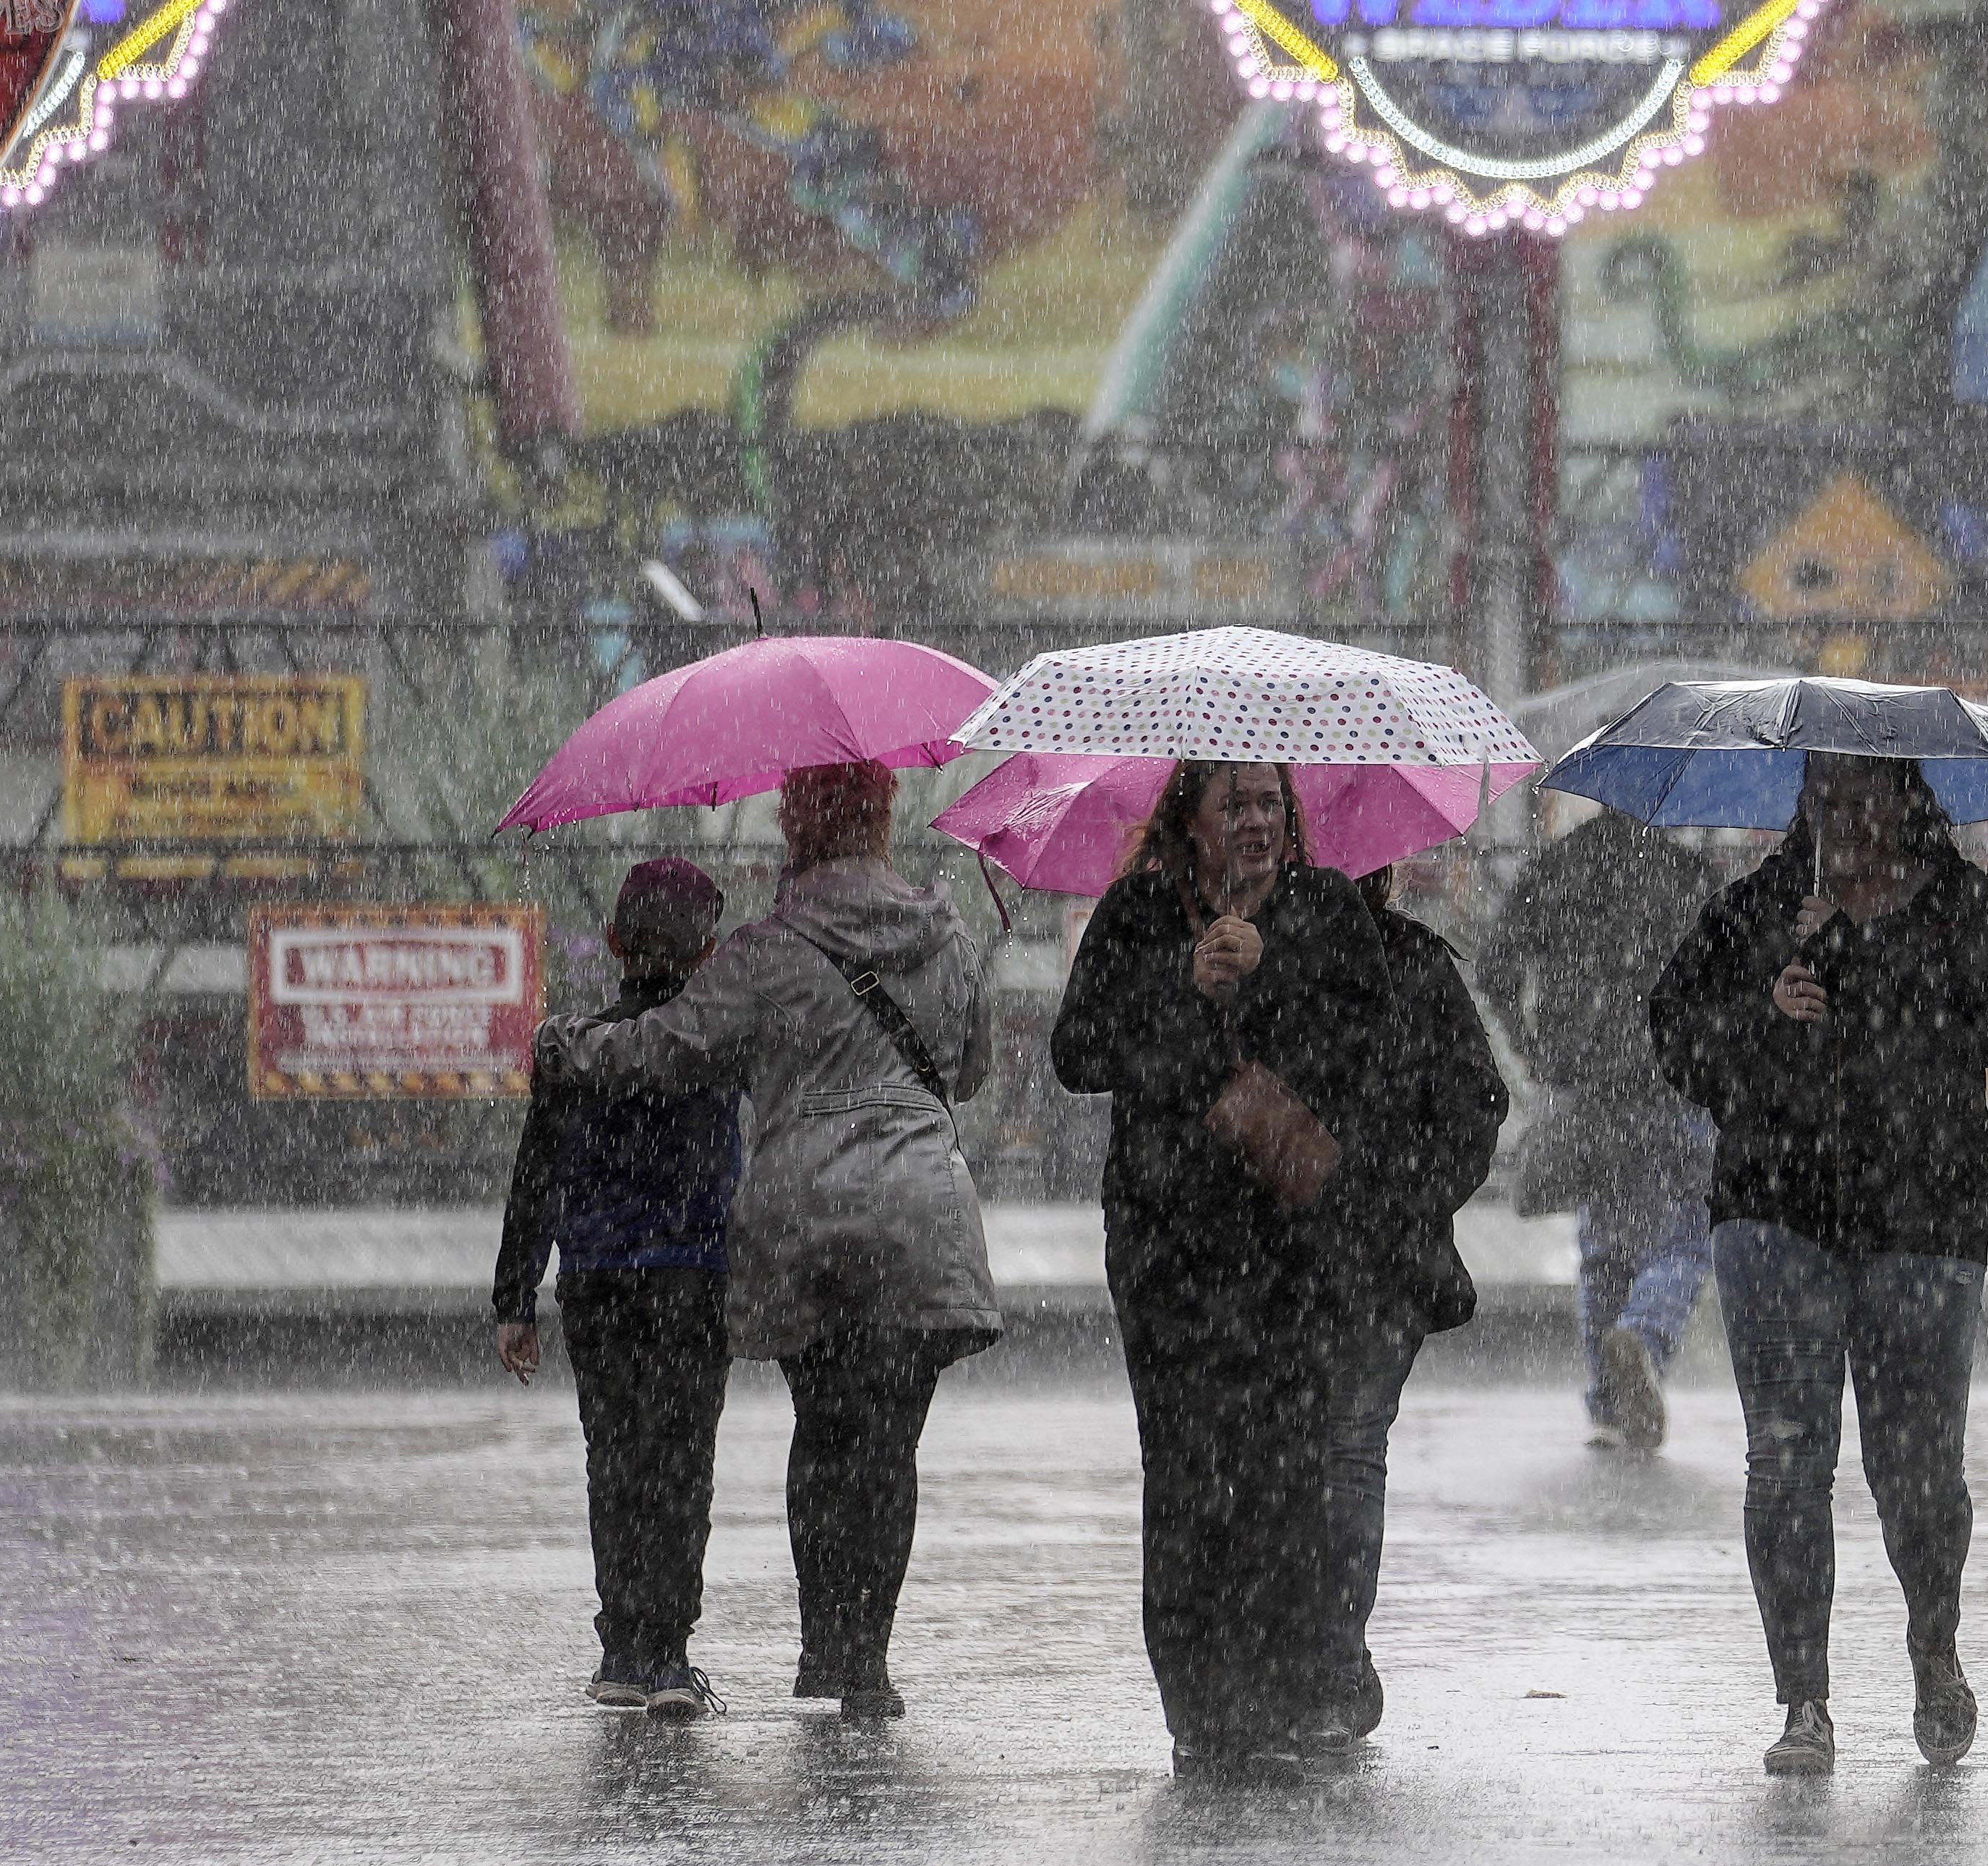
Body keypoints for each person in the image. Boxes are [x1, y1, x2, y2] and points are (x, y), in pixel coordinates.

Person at [542, 761, 1001, 1720]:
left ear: (794, 822)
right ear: (882, 819)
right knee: (889, 1443)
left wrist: (570, 1047)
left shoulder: (768, 947)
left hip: (807, 1215)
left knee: (826, 1427)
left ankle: (824, 1643)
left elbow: (669, 1044)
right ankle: (867, 1657)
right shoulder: (948, 932)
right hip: (919, 1209)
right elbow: (968, 1068)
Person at [1649, 753, 1988, 1776]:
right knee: (1785, 1452)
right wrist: (1765, 1004)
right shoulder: (1758, 910)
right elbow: (1677, 1038)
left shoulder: (1968, 908)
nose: (1847, 813)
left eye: (1868, 791)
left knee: (1917, 1467)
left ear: (1908, 800)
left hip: (1923, 1213)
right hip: (1776, 1209)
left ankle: (1933, 1643)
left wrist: (1874, 968)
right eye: (1828, 792)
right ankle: (1803, 1698)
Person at [1050, 761, 1389, 1777]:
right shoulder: (1137, 914)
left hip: (1289, 1242)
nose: (1253, 819)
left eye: (1266, 801)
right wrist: (1182, 984)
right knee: (1191, 1468)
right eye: (1231, 803)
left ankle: (1281, 1701)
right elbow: (1080, 1052)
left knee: (1286, 1470)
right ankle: (1203, 1707)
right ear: (1186, 821)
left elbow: (1370, 1044)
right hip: (1168, 1247)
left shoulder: (1324, 909)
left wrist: (1271, 968)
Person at [494, 858, 747, 1721]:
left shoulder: (572, 1049)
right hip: (691, 1279)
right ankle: (670, 1655)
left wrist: (513, 1297)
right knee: (682, 1463)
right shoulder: (718, 1051)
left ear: (611, 940)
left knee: (617, 1458)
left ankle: (621, 1649)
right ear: (708, 950)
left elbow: (535, 1176)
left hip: (598, 1281)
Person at [1321, 860, 1507, 1743]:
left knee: (1301, 1448)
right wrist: (1414, 1200)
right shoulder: (1417, 964)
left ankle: (1312, 1650)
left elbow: (1475, 1104)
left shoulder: (1256, 958)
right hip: (1382, 1258)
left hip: (1298, 1258)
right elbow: (1476, 1104)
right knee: (1351, 1451)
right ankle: (1334, 1655)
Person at [1483, 805, 1723, 1450]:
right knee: (1683, 1237)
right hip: (1674, 1079)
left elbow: (1496, 966)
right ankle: (1642, 1335)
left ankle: (1608, 1402)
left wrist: (1533, 1045)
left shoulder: (1558, 866)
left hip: (1586, 1083)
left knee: (1605, 1248)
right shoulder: (1686, 871)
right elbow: (1733, 979)